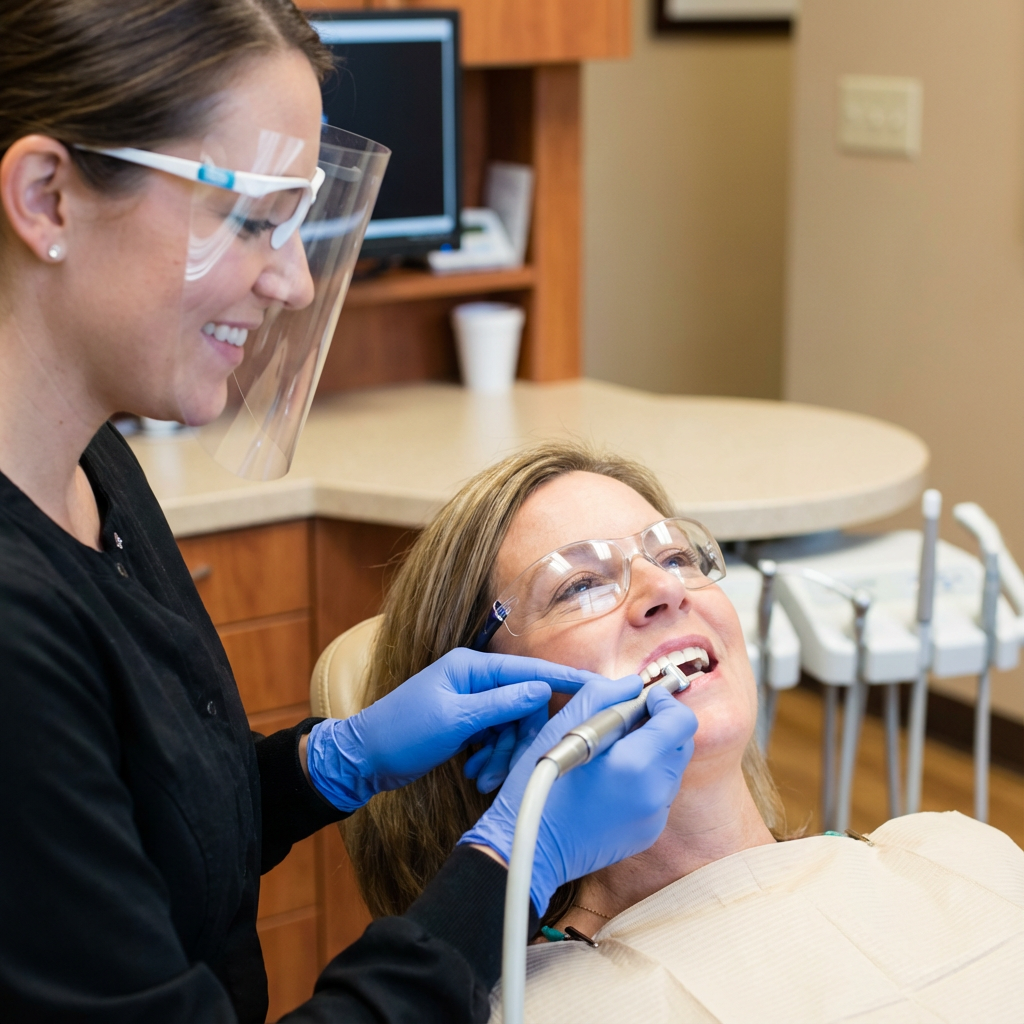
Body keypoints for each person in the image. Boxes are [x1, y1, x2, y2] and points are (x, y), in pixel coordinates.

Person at [0, 3, 699, 1022]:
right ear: (47, 196)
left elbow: (136, 828)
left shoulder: (91, 463)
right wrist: (509, 861)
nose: (288, 279)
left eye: (297, 225)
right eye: (249, 219)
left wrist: (324, 762)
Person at [340, 442, 1024, 1023]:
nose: (666, 591)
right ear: (491, 702)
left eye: (674, 557)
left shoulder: (953, 855)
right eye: (580, 585)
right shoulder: (536, 1004)